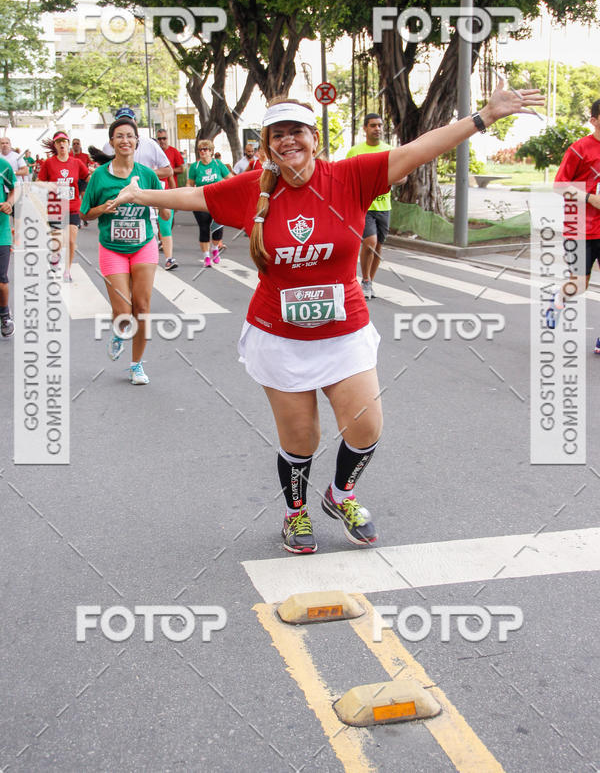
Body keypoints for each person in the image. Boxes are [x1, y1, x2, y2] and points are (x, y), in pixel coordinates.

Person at [106, 81, 543, 552]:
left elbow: (418, 149)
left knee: (366, 427)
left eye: (297, 131)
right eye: (278, 134)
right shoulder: (253, 189)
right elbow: (196, 197)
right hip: (279, 336)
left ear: (315, 137)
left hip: (344, 330)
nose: (288, 140)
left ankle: (341, 493)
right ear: (269, 145)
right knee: (302, 440)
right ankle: (295, 514)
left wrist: (485, 116)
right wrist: (140, 196)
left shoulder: (352, 177)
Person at [82, 118, 170, 385]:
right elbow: (85, 212)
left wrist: (161, 206)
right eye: (119, 136)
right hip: (112, 248)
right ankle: (120, 332)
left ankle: (136, 366)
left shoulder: (146, 175)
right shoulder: (99, 176)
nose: (125, 140)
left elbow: (165, 209)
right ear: (111, 142)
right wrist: (105, 207)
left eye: (130, 136)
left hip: (143, 245)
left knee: (142, 308)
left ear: (136, 141)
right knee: (123, 312)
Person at [550, 98, 600, 352]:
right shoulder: (580, 149)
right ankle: (559, 298)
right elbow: (559, 185)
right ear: (594, 120)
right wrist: (592, 199)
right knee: (579, 284)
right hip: (580, 228)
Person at [346, 113, 392, 300]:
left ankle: (369, 282)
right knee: (370, 241)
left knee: (379, 246)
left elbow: (401, 172)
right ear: (365, 128)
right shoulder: (355, 151)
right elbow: (346, 179)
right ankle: (365, 280)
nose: (377, 129)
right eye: (373, 125)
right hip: (363, 206)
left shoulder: (389, 150)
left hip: (384, 205)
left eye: (380, 125)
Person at [37, 132, 89, 282]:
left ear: (68, 144)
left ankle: (67, 270)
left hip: (73, 206)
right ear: (55, 145)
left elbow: (87, 178)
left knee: (71, 241)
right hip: (56, 206)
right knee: (57, 240)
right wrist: (49, 185)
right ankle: (55, 255)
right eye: (58, 142)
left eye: (64, 142)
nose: (61, 144)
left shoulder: (76, 163)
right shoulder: (49, 163)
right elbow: (39, 181)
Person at [186, 138, 232, 266]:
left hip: (218, 201)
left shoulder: (218, 164)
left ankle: (215, 248)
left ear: (211, 151)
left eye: (205, 149)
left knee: (218, 227)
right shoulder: (195, 167)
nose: (202, 152)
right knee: (204, 227)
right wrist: (189, 192)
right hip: (201, 201)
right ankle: (206, 257)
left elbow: (230, 179)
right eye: (200, 149)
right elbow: (190, 183)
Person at [155, 128, 184, 270]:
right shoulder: (141, 159)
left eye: (163, 139)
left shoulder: (169, 155)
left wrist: (174, 196)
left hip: (164, 195)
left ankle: (168, 259)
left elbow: (173, 175)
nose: (161, 142)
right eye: (158, 139)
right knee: (153, 226)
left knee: (166, 223)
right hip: (146, 197)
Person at [0, 155, 16, 337]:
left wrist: (9, 203)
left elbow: (14, 189)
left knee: (1, 279)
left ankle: (4, 314)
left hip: (1, 232)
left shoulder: (3, 165)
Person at [71, 138, 91, 226]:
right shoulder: (69, 156)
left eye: (77, 143)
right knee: (74, 200)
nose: (76, 145)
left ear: (80, 145)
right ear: (72, 146)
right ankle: (77, 219)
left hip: (83, 180)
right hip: (73, 180)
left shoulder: (85, 156)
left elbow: (91, 165)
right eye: (74, 144)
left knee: (84, 198)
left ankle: (84, 216)